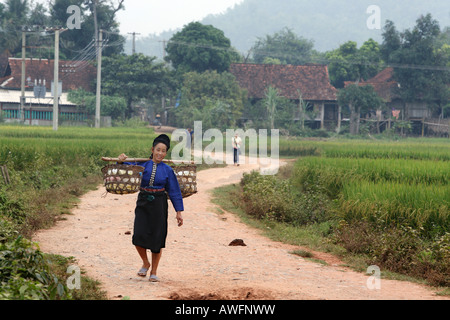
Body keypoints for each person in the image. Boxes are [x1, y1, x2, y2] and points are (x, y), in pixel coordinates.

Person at [118, 134, 184, 282]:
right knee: (138, 236)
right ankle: (145, 262)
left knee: (157, 238)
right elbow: (127, 167)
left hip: (159, 204)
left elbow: (174, 191)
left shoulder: (167, 170)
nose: (160, 153)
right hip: (143, 202)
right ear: (152, 149)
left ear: (166, 153)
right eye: (158, 150)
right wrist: (120, 160)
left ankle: (154, 271)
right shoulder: (143, 165)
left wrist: (178, 212)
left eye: (163, 151)